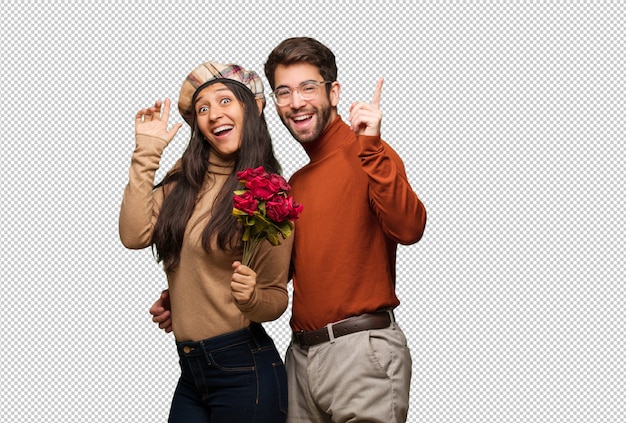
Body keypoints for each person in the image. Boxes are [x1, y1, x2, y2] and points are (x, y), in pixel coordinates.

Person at [151, 37, 427, 422]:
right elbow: (274, 275)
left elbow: (409, 228)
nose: (296, 102)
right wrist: (190, 291)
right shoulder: (290, 186)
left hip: (360, 351)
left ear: (333, 92)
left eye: (307, 87)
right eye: (284, 91)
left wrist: (372, 146)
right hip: (300, 357)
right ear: (273, 104)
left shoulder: (368, 151)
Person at [119, 61, 292, 422]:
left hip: (245, 371)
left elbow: (275, 299)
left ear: (253, 108)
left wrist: (252, 298)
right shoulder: (183, 181)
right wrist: (146, 153)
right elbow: (134, 235)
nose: (214, 114)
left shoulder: (268, 192)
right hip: (192, 369)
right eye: (202, 108)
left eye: (225, 101)